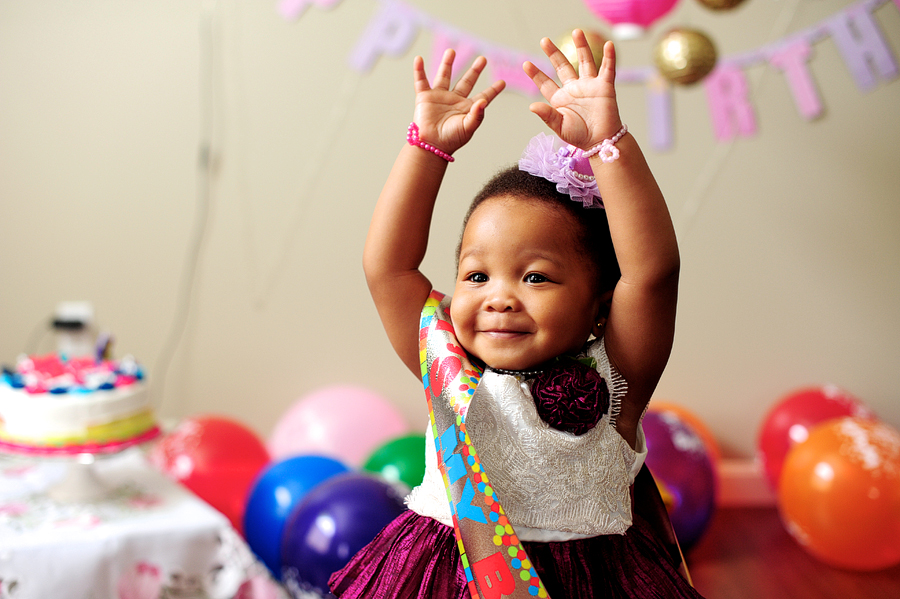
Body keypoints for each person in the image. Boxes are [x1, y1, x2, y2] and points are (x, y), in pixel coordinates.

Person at [330, 30, 704, 599]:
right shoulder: (441, 356)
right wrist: (425, 148)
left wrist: (609, 143)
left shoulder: (618, 376)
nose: (499, 297)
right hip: (448, 577)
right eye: (477, 276)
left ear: (599, 306)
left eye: (535, 277)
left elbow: (652, 274)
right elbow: (388, 268)